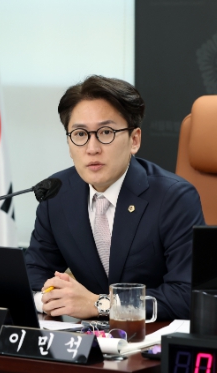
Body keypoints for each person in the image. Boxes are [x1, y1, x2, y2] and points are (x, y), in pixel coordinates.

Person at [24, 75, 205, 320]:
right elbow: (33, 272)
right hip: (88, 336)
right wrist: (47, 300)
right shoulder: (56, 194)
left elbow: (186, 295)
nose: (92, 148)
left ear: (134, 140)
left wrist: (101, 305)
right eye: (80, 134)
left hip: (151, 335)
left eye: (106, 132)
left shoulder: (174, 198)